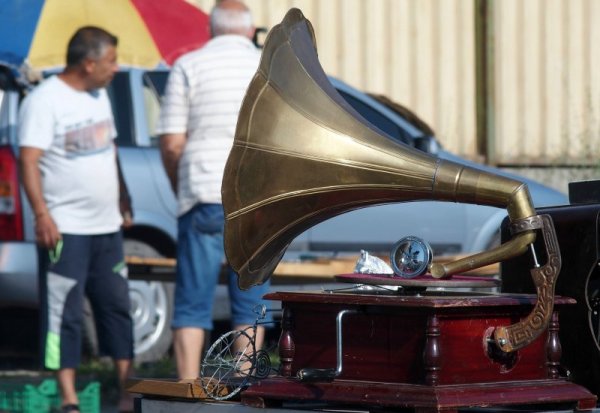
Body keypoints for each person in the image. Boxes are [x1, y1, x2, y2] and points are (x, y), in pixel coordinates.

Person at [18, 26, 134, 413]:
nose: (116, 68)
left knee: (116, 307)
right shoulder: (43, 100)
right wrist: (41, 215)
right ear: (89, 63)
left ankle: (126, 390)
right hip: (65, 228)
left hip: (107, 228)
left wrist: (123, 195)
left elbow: (110, 149)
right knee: (62, 313)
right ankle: (68, 397)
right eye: (111, 61)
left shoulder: (99, 95)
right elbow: (28, 161)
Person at [157, 0, 271, 380]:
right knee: (250, 302)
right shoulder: (266, 67)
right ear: (249, 30)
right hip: (255, 196)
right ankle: (245, 386)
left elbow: (172, 143)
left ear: (211, 30)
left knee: (192, 303)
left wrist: (182, 187)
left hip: (203, 191)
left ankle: (187, 390)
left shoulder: (188, 65)